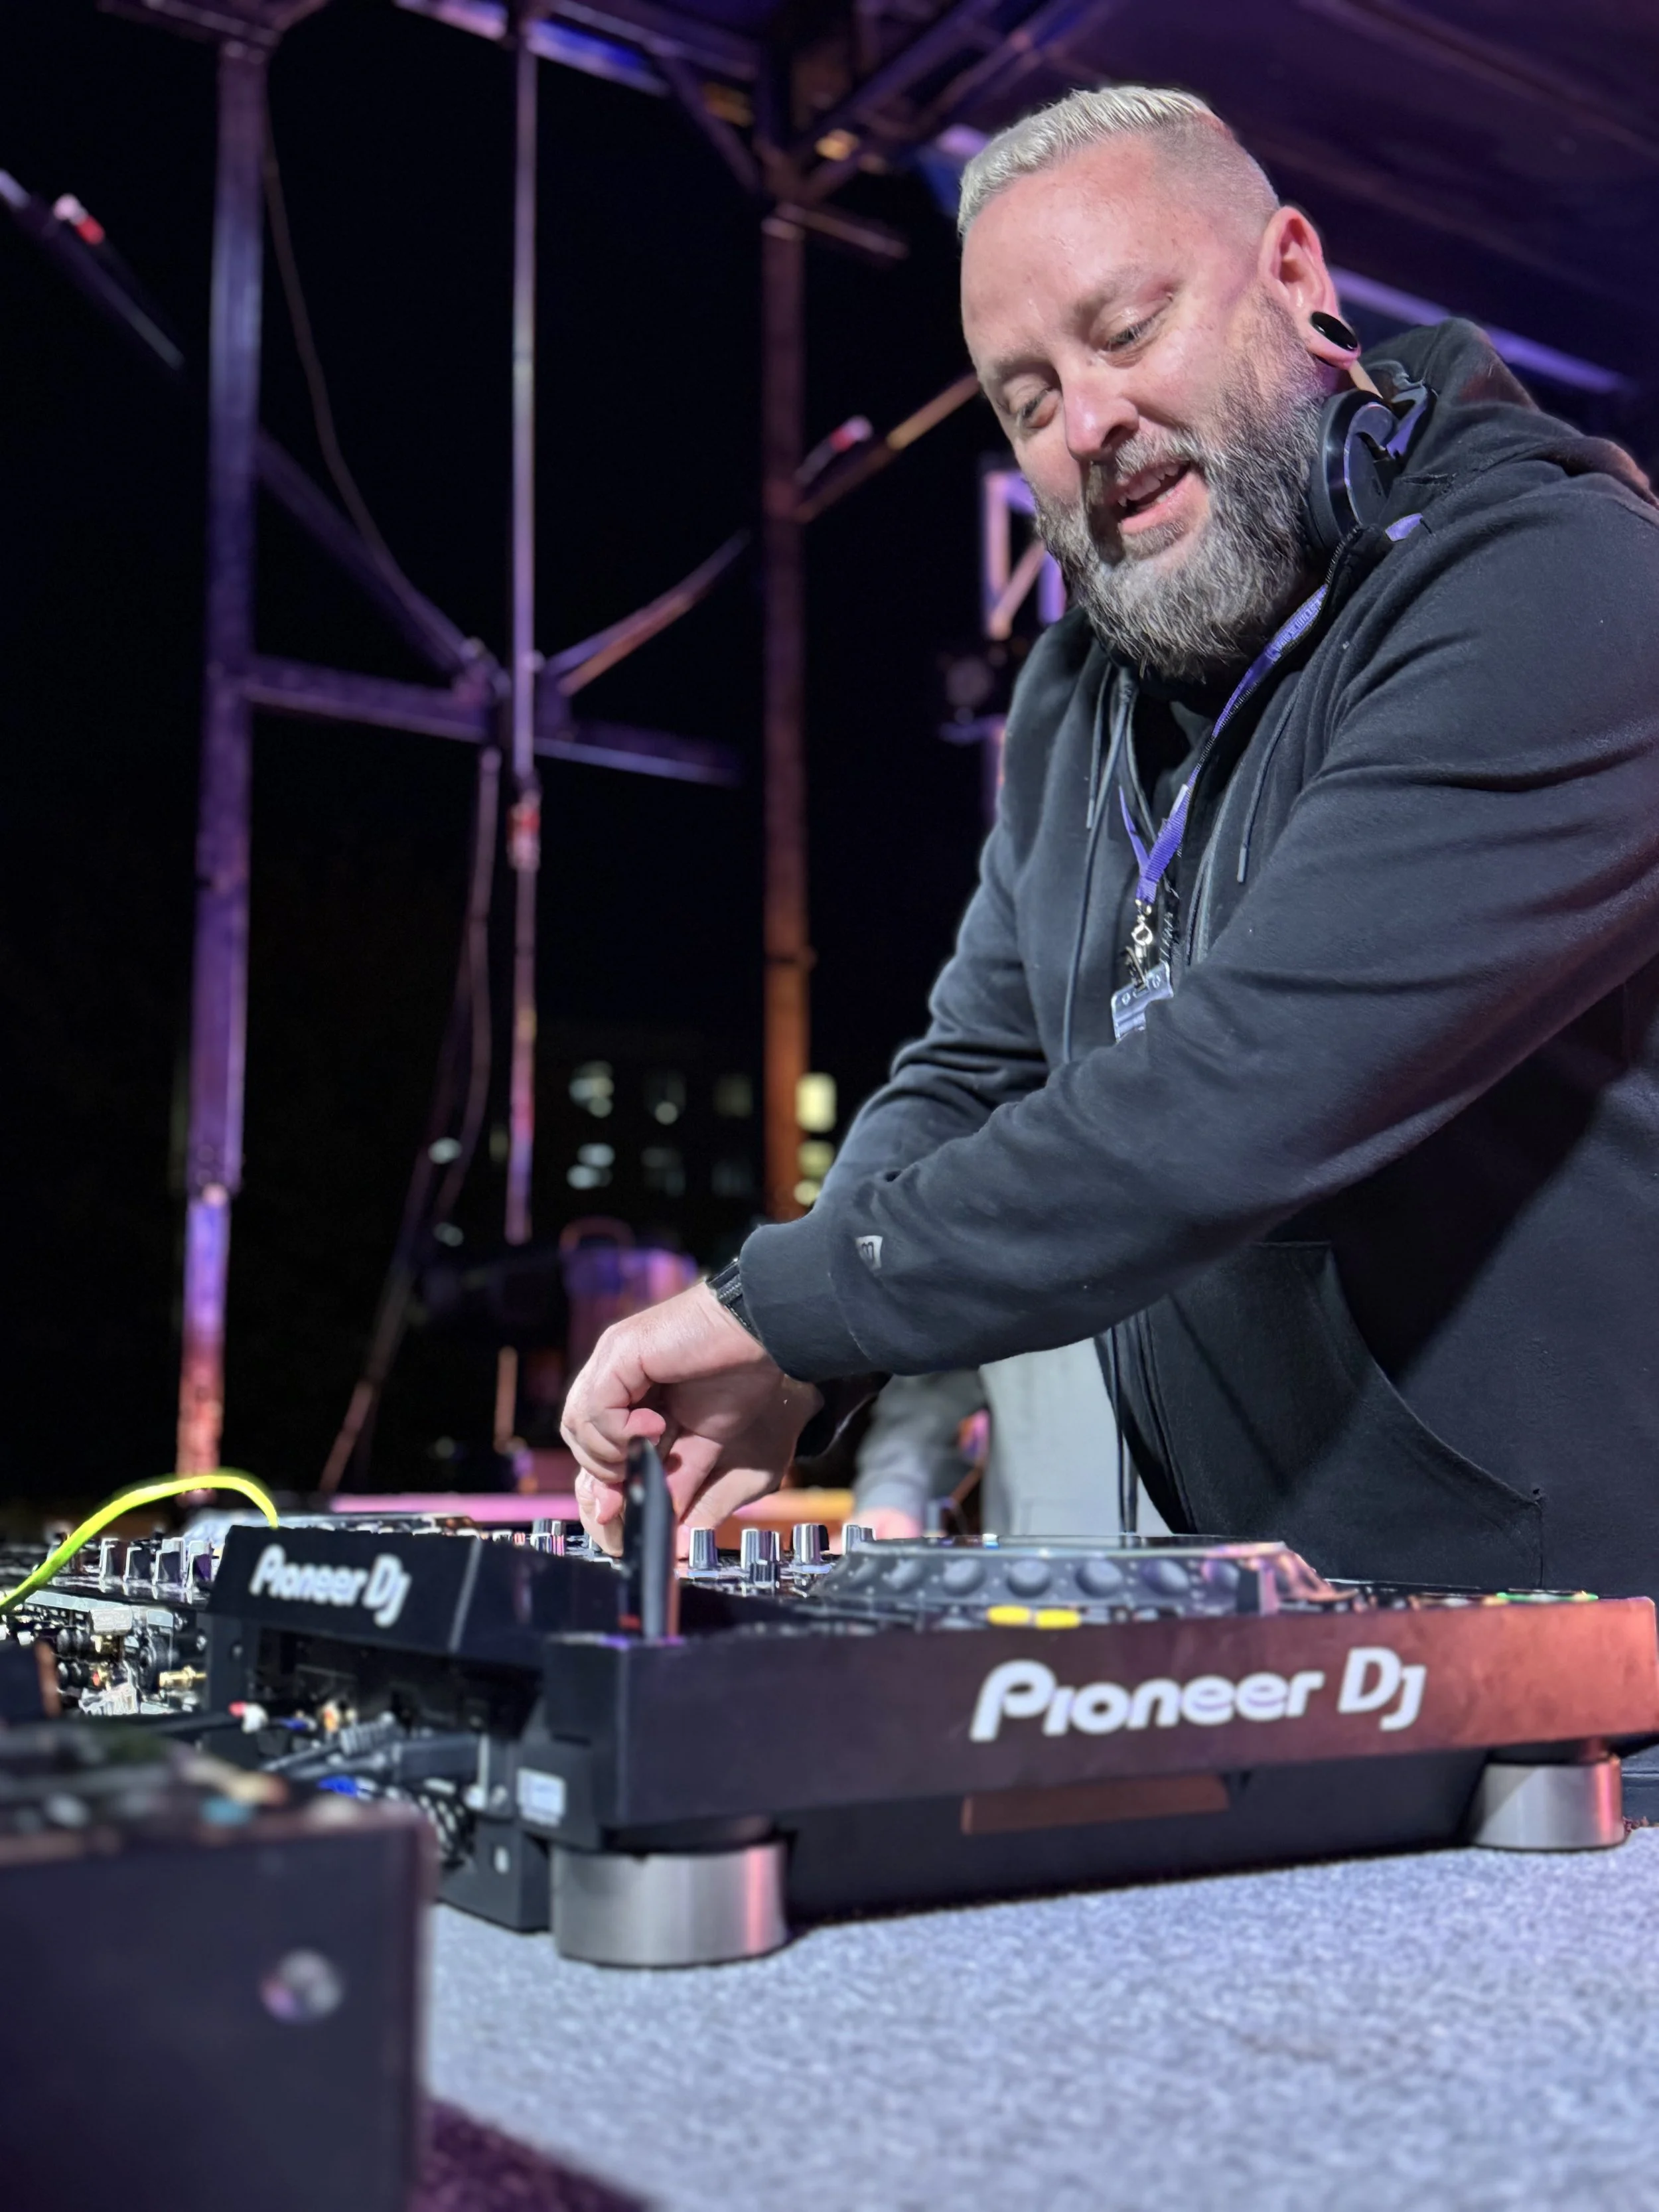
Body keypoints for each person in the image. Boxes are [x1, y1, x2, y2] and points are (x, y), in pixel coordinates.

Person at [561, 85, 1659, 1595]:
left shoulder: (1558, 587)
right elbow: (976, 1070)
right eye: (1025, 400)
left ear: (1292, 274)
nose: (1087, 424)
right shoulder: (1076, 694)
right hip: (1279, 1635)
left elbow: (1244, 1083)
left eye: (1128, 331)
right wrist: (801, 1361)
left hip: (1595, 1661)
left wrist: (789, 1303)